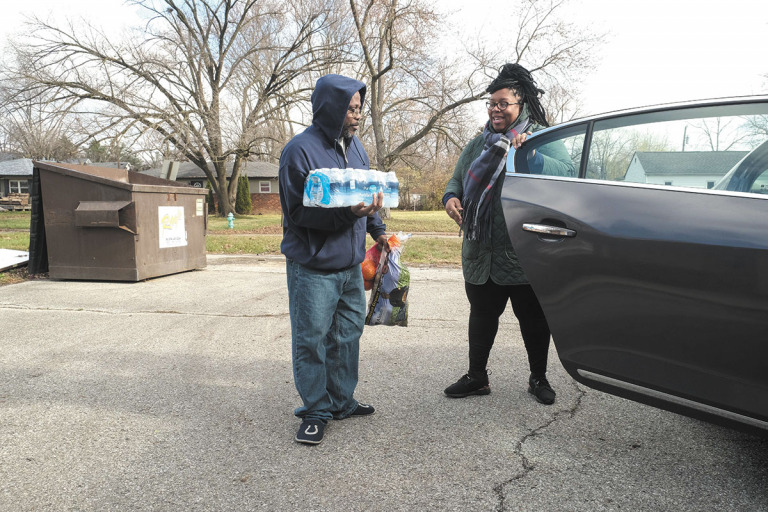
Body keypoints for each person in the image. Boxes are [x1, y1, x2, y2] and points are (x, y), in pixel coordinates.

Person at [442, 63, 574, 405]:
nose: (495, 109)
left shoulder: (541, 138)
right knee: (481, 315)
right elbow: (456, 180)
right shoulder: (478, 143)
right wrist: (451, 198)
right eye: (491, 103)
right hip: (480, 249)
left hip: (523, 250)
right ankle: (477, 377)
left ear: (522, 105)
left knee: (533, 318)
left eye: (503, 103)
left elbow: (568, 172)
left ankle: (538, 378)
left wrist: (530, 154)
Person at [279, 74, 388, 445]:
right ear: (331, 108)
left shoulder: (357, 149)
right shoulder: (300, 151)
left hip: (351, 267)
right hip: (313, 267)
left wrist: (378, 230)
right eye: (350, 109)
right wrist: (348, 215)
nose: (357, 116)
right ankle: (315, 410)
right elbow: (298, 214)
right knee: (312, 340)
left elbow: (368, 197)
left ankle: (341, 401)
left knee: (347, 337)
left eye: (360, 108)